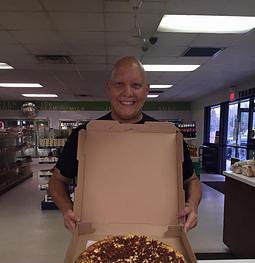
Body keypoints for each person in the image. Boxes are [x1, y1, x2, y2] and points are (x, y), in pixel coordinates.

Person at [48, 56, 202, 233]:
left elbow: (192, 180)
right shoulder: (85, 135)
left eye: (136, 85)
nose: (127, 93)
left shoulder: (167, 136)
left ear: (146, 90)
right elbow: (57, 181)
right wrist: (67, 209)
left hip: (158, 237)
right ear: (109, 88)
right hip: (97, 237)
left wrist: (193, 206)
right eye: (119, 84)